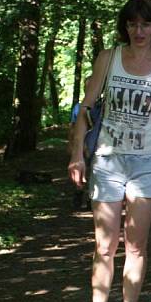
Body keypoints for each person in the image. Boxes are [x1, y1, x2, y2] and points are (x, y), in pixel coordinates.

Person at [68, 0, 151, 302]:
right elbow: (84, 109)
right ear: (125, 25)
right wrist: (77, 154)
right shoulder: (109, 58)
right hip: (108, 160)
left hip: (147, 163)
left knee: (135, 246)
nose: (139, 30)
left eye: (146, 23)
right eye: (132, 23)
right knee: (104, 246)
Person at [68, 76, 92, 211]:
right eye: (86, 87)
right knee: (81, 168)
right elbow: (72, 126)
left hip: (96, 144)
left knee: (94, 170)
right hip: (81, 143)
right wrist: (72, 143)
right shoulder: (78, 107)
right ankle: (78, 193)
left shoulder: (101, 106)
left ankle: (90, 197)